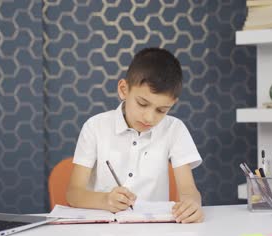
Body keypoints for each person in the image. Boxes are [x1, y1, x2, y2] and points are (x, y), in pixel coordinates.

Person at [66, 47, 203, 223]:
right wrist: (105, 200)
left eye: (161, 110)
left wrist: (191, 204)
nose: (149, 117)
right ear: (124, 89)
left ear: (172, 104)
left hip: (154, 232)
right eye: (142, 103)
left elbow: (188, 191)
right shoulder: (95, 127)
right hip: (101, 232)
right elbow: (73, 194)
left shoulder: (174, 129)